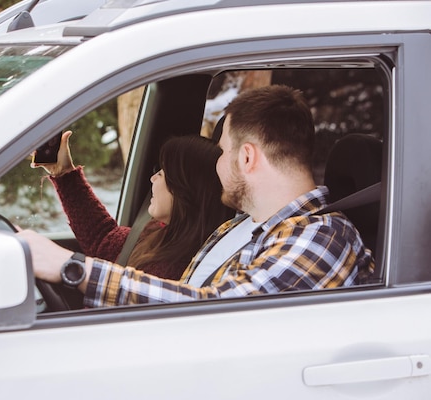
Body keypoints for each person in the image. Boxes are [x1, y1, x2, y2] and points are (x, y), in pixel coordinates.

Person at [19, 84, 375, 307]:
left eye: (221, 152)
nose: (215, 165)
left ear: (247, 157)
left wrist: (72, 269)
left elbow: (216, 311)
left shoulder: (322, 236)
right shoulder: (242, 228)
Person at [33, 131, 233, 280]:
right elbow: (103, 240)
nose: (153, 177)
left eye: (163, 173)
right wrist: (63, 172)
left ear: (185, 190)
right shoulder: (160, 232)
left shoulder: (173, 270)